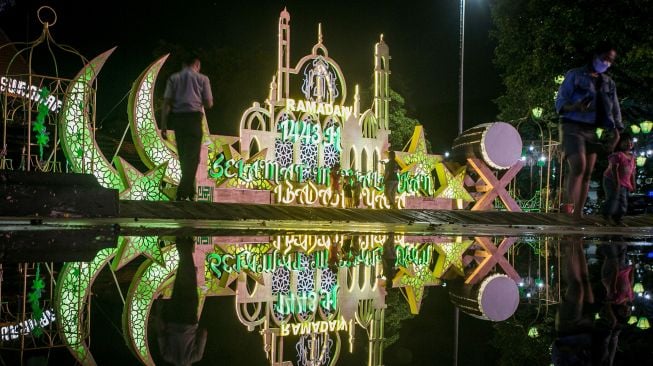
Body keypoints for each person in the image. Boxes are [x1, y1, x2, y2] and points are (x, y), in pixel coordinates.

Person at [555, 43, 623, 217]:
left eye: (610, 60)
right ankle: (571, 209)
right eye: (605, 58)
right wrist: (576, 106)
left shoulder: (608, 83)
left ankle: (578, 213)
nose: (607, 63)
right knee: (579, 166)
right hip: (571, 125)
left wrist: (616, 130)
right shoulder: (575, 75)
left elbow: (615, 109)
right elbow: (560, 102)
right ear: (595, 56)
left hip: (592, 129)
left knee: (587, 172)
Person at [161, 54, 213, 201]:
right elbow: (209, 103)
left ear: (184, 64)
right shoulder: (203, 79)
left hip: (178, 120)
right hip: (194, 120)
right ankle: (184, 191)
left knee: (184, 156)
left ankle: (188, 191)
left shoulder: (174, 79)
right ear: (197, 64)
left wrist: (164, 125)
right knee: (193, 157)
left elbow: (166, 103)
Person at [155, 236, 207, 366]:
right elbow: (160, 333)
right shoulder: (167, 356)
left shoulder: (196, 357)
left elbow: (204, 333)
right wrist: (160, 311)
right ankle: (184, 247)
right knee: (179, 282)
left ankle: (185, 246)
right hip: (173, 317)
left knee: (189, 282)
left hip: (189, 319)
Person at [602, 133, 635, 226]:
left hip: (624, 183)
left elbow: (632, 172)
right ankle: (607, 217)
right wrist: (616, 183)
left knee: (623, 201)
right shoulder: (617, 155)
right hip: (611, 180)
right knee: (613, 198)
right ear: (620, 144)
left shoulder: (632, 157)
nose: (628, 144)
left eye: (630, 142)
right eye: (625, 142)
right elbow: (613, 169)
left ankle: (618, 219)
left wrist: (633, 184)